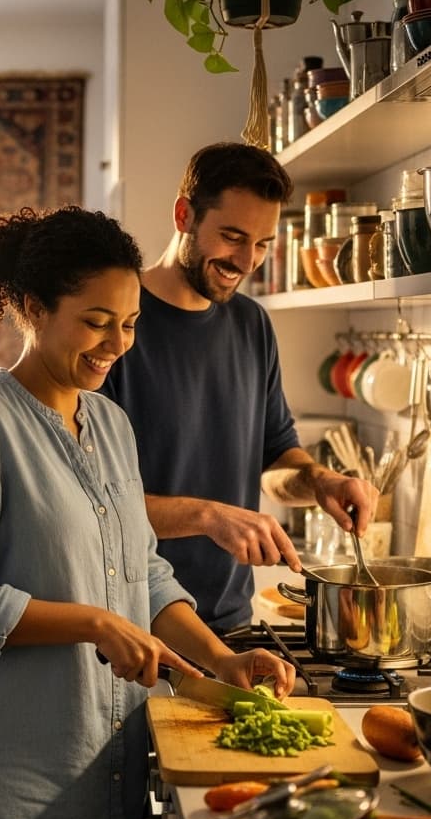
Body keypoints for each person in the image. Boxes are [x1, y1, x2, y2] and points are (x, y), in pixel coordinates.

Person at [0, 205, 295, 819]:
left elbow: (141, 570)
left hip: (102, 770)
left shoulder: (111, 426)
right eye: (96, 322)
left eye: (129, 323)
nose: (117, 343)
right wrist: (92, 623)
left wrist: (220, 661)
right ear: (34, 308)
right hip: (12, 775)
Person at [100, 142, 379, 632]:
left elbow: (276, 460)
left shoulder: (252, 325)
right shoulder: (115, 326)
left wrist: (320, 482)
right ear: (184, 215)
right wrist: (209, 517)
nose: (247, 261)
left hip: (230, 623)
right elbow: (89, 503)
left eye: (263, 243)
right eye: (232, 237)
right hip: (131, 628)